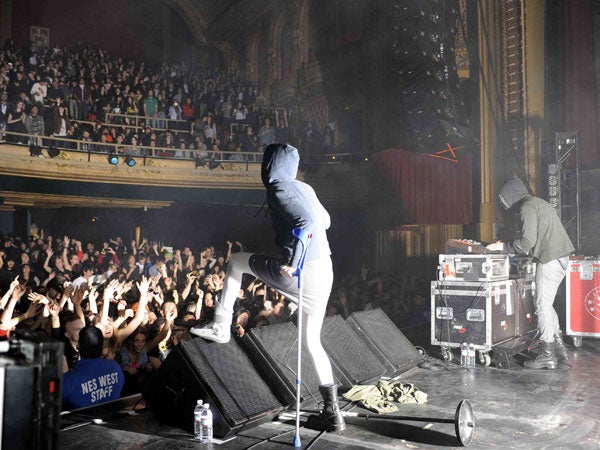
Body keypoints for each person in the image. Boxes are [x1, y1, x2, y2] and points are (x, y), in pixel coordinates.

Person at [191, 143, 345, 432]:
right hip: (325, 271)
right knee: (312, 341)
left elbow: (310, 222)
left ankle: (221, 326)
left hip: (304, 272)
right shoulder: (305, 188)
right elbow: (325, 220)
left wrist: (296, 260)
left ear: (269, 164)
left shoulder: (279, 189)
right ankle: (332, 412)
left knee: (236, 262)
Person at [487, 177, 574, 369]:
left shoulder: (527, 207)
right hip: (560, 257)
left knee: (541, 306)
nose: (503, 204)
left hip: (550, 259)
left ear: (511, 194)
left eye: (503, 199)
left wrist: (502, 247)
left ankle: (547, 355)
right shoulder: (538, 203)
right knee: (547, 305)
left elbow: (527, 243)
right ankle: (559, 348)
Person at [62, 326, 124, 410]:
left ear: (78, 347)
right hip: (111, 421)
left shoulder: (68, 380)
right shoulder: (115, 367)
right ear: (102, 348)